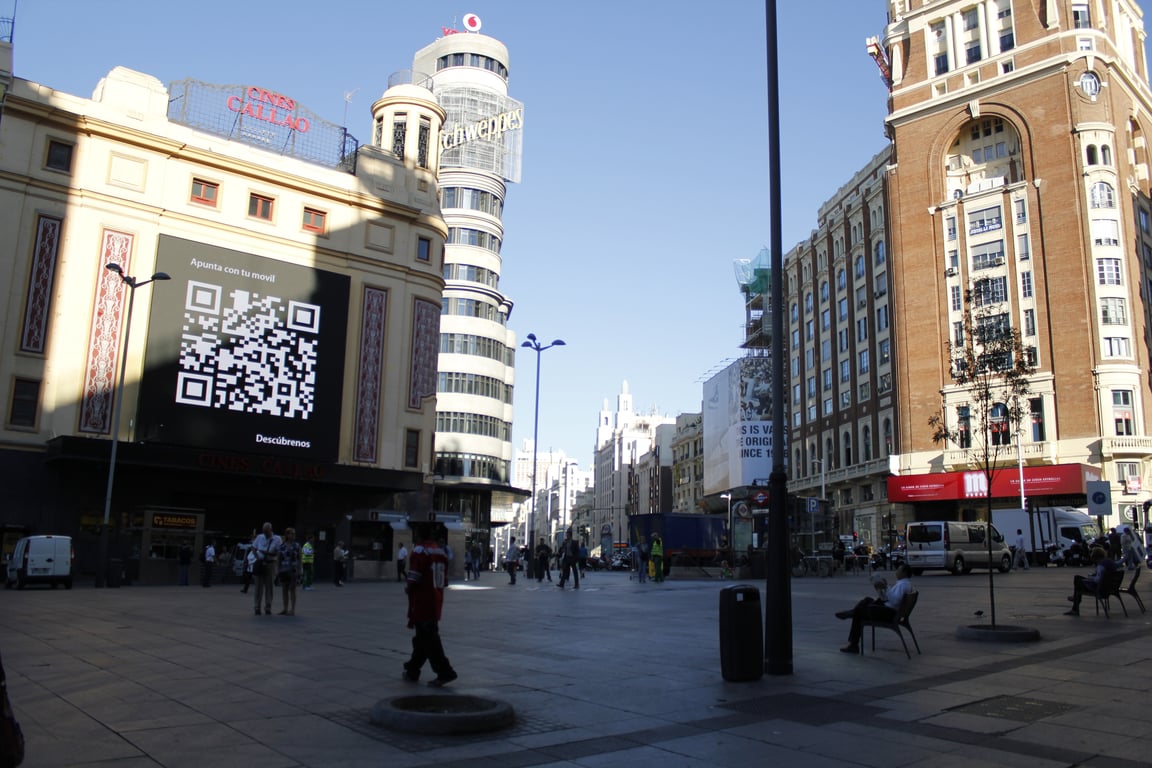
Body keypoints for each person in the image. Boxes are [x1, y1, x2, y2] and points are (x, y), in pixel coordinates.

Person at [402, 526, 458, 687]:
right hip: (436, 598)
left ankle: (444, 671)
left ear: (418, 535)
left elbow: (414, 576)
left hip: (422, 599)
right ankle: (413, 669)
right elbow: (444, 580)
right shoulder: (440, 552)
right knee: (423, 636)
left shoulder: (420, 551)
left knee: (429, 637)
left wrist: (408, 587)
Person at [836, 564, 914, 653]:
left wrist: (886, 587)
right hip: (890, 609)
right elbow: (894, 598)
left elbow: (895, 601)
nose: (896, 572)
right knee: (866, 600)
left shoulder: (903, 585)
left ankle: (853, 644)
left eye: (898, 570)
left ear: (904, 573)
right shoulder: (905, 584)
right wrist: (885, 587)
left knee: (859, 611)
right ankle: (851, 613)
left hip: (888, 612)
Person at [1065, 547, 1118, 615]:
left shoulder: (1101, 565)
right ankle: (1075, 599)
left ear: (1096, 557)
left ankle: (1075, 606)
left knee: (1077, 579)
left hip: (1100, 588)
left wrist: (1091, 578)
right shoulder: (1110, 562)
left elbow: (1098, 580)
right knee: (1078, 581)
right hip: (1110, 586)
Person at [252, 523, 282, 616]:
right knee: (258, 587)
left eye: (267, 532)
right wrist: (257, 557)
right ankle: (257, 607)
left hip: (270, 564)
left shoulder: (277, 539)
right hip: (260, 563)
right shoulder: (259, 537)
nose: (265, 534)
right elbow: (253, 547)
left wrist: (268, 554)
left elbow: (279, 552)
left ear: (270, 530)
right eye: (264, 531)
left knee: (269, 587)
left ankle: (268, 607)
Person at [277, 528, 302, 616]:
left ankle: (292, 609)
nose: (293, 535)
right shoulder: (282, 546)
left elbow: (300, 558)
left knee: (292, 589)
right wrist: (278, 570)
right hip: (283, 570)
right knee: (284, 589)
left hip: (293, 570)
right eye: (291, 534)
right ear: (287, 535)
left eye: (294, 534)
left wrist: (300, 570)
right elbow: (279, 559)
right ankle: (285, 609)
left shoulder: (297, 546)